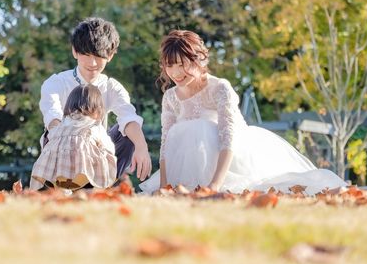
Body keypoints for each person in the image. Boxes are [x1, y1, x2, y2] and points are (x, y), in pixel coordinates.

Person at [139, 30, 347, 195]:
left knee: (200, 127)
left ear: (198, 61)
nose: (175, 72)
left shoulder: (219, 88)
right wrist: (164, 186)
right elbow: (167, 143)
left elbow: (228, 138)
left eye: (182, 64)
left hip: (233, 155)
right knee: (179, 131)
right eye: (170, 65)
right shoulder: (171, 97)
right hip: (192, 160)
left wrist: (214, 185)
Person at [39, 17, 151, 181]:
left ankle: (102, 184)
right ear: (75, 51)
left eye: (99, 56)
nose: (92, 63)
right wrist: (71, 141)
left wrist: (142, 147)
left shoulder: (111, 87)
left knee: (130, 134)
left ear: (110, 55)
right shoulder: (57, 82)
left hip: (96, 151)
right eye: (86, 54)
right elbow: (52, 115)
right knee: (57, 133)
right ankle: (63, 184)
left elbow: (128, 116)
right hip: (61, 148)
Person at [31, 84, 117, 190]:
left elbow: (49, 137)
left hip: (54, 172)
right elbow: (108, 147)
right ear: (98, 109)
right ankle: (94, 186)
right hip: (83, 174)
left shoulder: (63, 124)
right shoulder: (94, 125)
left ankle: (62, 188)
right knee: (105, 154)